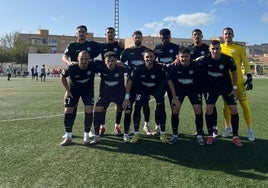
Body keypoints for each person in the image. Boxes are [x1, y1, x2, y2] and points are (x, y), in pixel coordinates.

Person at [122, 49, 179, 143]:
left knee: (161, 108)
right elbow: (130, 82)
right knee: (137, 108)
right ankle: (136, 134)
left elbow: (169, 82)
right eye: (147, 57)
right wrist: (126, 98)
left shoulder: (159, 68)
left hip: (156, 89)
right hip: (142, 89)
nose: (149, 58)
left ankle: (163, 133)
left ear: (154, 58)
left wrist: (174, 97)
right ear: (143, 58)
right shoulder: (138, 68)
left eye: (151, 56)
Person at [62, 25, 100, 139]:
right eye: (80, 32)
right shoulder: (72, 45)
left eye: (84, 32)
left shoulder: (92, 45)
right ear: (76, 33)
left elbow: (105, 48)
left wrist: (118, 43)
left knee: (88, 108)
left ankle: (88, 131)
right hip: (74, 78)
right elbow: (64, 56)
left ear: (86, 34)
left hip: (88, 80)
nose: (82, 33)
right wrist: (69, 63)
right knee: (71, 107)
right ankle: (69, 131)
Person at [201, 40, 242, 147]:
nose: (215, 51)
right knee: (209, 109)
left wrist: (234, 88)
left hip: (226, 87)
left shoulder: (228, 59)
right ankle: (210, 135)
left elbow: (234, 73)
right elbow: (192, 62)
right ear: (209, 49)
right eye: (213, 49)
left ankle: (235, 137)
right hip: (212, 88)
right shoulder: (205, 59)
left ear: (220, 49)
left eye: (217, 48)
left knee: (234, 109)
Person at [220, 27, 255, 141]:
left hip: (238, 82)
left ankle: (249, 129)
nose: (227, 35)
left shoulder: (239, 48)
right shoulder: (219, 48)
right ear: (223, 35)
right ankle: (228, 127)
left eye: (229, 34)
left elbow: (245, 62)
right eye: (226, 34)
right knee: (226, 106)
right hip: (225, 82)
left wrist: (249, 76)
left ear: (233, 35)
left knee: (244, 105)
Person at [167, 47, 204, 145]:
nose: (184, 59)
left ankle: (199, 134)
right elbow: (169, 80)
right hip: (179, 90)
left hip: (193, 89)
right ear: (178, 57)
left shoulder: (196, 65)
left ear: (190, 56)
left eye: (186, 56)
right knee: (175, 109)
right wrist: (174, 97)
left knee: (198, 109)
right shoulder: (174, 66)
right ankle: (175, 135)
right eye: (182, 56)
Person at [60, 50, 98, 146]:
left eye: (86, 59)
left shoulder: (93, 65)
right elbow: (62, 76)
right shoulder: (72, 67)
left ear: (89, 59)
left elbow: (107, 64)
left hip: (87, 91)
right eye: (82, 59)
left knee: (89, 110)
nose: (84, 61)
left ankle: (86, 135)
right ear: (77, 59)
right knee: (68, 110)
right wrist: (67, 91)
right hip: (73, 91)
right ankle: (68, 136)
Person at [93, 51, 131, 143]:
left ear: (116, 61)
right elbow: (90, 65)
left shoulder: (121, 68)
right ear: (104, 61)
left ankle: (125, 134)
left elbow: (133, 70)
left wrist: (124, 65)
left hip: (119, 94)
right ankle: (97, 133)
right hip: (105, 94)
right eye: (108, 61)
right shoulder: (101, 67)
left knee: (128, 109)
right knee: (98, 109)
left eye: (112, 60)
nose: (110, 63)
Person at [188, 29, 218, 138]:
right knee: (198, 107)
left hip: (207, 81)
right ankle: (199, 129)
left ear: (202, 36)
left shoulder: (207, 48)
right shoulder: (188, 49)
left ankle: (214, 128)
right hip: (195, 82)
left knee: (210, 105)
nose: (197, 36)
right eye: (195, 35)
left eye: (198, 35)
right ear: (192, 37)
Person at [121, 30, 151, 135]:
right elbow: (121, 63)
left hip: (143, 83)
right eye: (136, 37)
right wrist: (129, 69)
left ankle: (146, 125)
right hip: (130, 83)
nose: (137, 39)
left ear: (142, 38)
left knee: (145, 104)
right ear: (132, 38)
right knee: (129, 105)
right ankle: (128, 128)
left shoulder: (146, 51)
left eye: (139, 37)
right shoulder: (128, 51)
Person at [98, 27, 125, 136]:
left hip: (118, 76)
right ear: (105, 34)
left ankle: (117, 126)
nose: (110, 34)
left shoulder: (119, 45)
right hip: (106, 75)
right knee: (104, 105)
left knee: (119, 105)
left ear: (114, 34)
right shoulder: (101, 46)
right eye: (108, 32)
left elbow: (124, 55)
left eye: (112, 32)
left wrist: (122, 47)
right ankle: (102, 127)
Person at [153, 28, 180, 134]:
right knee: (159, 104)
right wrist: (163, 65)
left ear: (170, 37)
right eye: (163, 38)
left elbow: (179, 58)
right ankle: (157, 126)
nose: (165, 40)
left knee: (174, 104)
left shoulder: (175, 47)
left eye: (167, 37)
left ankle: (175, 130)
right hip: (160, 80)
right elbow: (154, 61)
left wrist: (174, 62)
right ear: (160, 37)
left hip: (173, 79)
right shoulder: (157, 48)